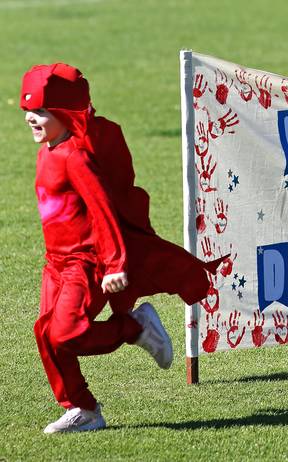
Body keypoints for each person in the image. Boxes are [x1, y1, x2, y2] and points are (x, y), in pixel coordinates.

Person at [20, 63, 224, 434]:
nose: (32, 119)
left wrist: (114, 263)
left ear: (65, 114)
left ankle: (134, 328)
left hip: (85, 263)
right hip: (56, 263)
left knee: (66, 333)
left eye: (42, 112)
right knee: (45, 333)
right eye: (28, 112)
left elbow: (103, 212)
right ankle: (83, 409)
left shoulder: (75, 157)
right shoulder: (48, 150)